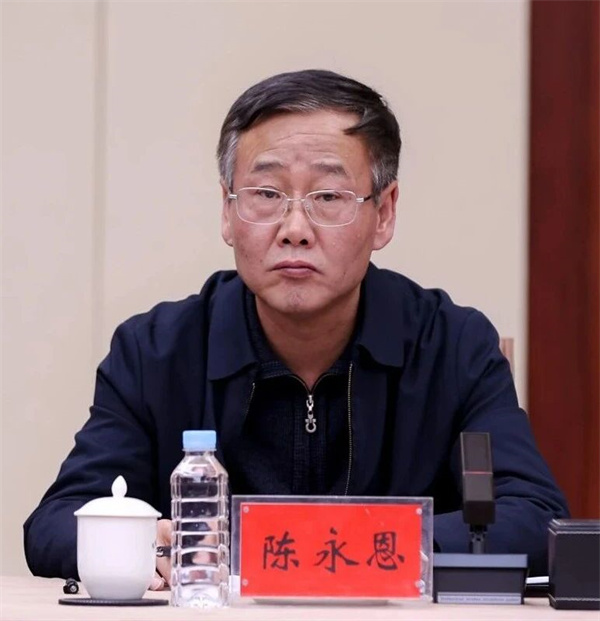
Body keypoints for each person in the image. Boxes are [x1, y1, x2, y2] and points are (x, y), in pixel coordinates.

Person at [24, 69, 568, 584]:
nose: (295, 228)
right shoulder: (155, 351)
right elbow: (55, 524)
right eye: (266, 194)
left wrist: (333, 548)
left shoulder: (453, 347)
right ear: (227, 211)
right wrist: (146, 543)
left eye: (328, 197)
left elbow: (537, 517)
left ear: (384, 213)